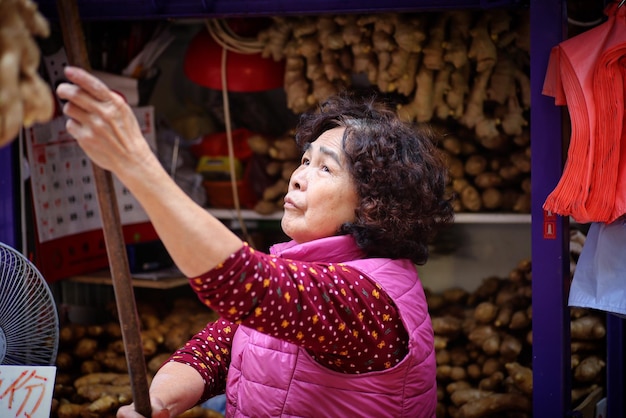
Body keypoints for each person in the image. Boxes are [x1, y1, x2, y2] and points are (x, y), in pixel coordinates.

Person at [56, 66, 455, 418]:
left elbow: (239, 282)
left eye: (326, 168)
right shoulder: (306, 271)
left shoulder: (365, 298)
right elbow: (215, 350)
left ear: (371, 206)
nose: (298, 177)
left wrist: (137, 164)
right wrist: (160, 402)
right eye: (304, 161)